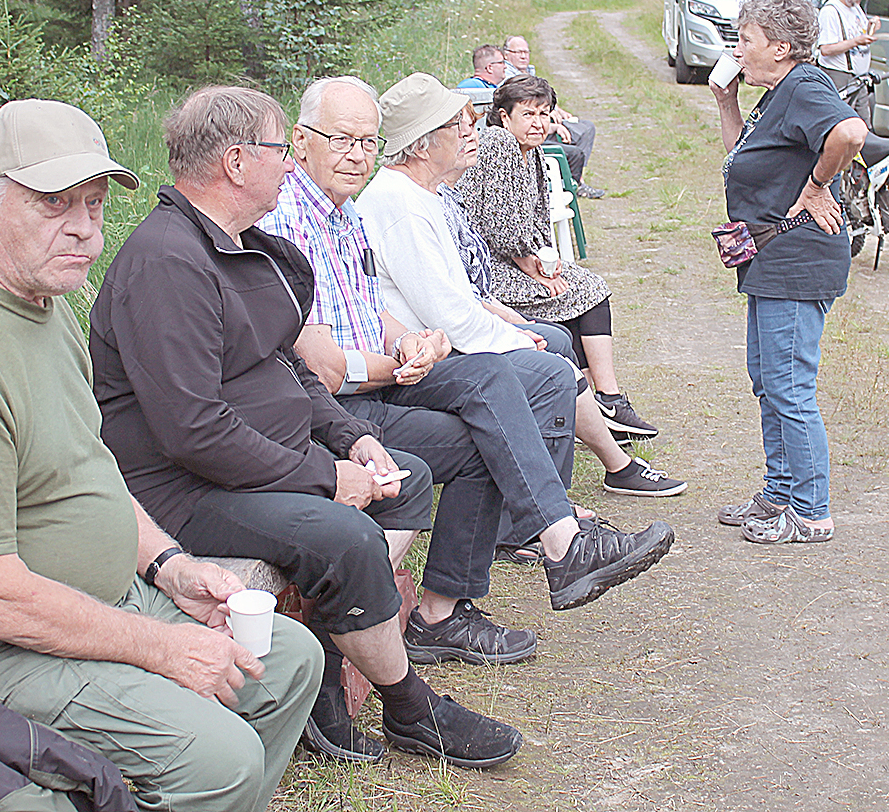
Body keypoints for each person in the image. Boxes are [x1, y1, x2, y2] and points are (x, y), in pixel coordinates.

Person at [0, 99, 321, 812]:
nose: (84, 231)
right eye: (54, 205)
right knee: (218, 758)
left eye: (95, 206)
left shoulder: (42, 301)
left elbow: (86, 473)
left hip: (105, 600)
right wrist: (159, 648)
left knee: (286, 662)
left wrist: (171, 565)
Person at [90, 85, 523, 769]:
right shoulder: (167, 263)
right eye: (276, 150)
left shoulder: (239, 246)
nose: (290, 165)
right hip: (179, 490)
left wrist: (348, 437)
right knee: (342, 531)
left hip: (249, 462)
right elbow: (193, 431)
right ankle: (410, 706)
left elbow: (283, 366)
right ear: (235, 162)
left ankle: (324, 665)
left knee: (400, 480)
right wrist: (325, 475)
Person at [260, 76, 677, 600]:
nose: (358, 156)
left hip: (385, 373)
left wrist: (414, 341)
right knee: (516, 380)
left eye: (368, 142)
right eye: (342, 140)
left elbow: (375, 311)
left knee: (501, 374)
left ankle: (488, 581)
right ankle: (544, 542)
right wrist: (415, 358)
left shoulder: (343, 212)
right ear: (300, 141)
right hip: (338, 408)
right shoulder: (298, 218)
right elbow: (326, 369)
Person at [357, 72, 685, 500]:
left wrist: (511, 326)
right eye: (456, 127)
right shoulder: (402, 206)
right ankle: (539, 519)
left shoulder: (420, 193)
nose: (466, 134)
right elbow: (451, 316)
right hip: (418, 356)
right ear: (422, 142)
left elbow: (460, 294)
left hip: (439, 339)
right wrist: (514, 338)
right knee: (551, 370)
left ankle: (567, 488)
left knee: (556, 345)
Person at [709, 0, 868, 545]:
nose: (738, 49)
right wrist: (726, 103)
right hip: (768, 257)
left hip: (798, 258)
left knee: (790, 387)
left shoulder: (805, 86)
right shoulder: (775, 93)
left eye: (745, 39)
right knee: (768, 381)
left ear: (780, 48)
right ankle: (780, 490)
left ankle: (810, 510)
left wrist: (818, 185)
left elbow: (849, 134)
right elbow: (739, 161)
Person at [454, 74, 659, 440]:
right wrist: (532, 268)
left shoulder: (528, 150)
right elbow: (502, 226)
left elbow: (533, 221)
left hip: (509, 258)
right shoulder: (499, 144)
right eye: (528, 114)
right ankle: (606, 401)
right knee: (585, 291)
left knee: (584, 287)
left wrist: (546, 262)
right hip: (483, 269)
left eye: (544, 114)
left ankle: (599, 406)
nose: (538, 123)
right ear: (503, 117)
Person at [503, 35, 603, 198]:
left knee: (587, 128)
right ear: (506, 55)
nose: (523, 56)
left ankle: (577, 178)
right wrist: (550, 119)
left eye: (526, 52)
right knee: (573, 148)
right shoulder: (509, 77)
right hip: (537, 127)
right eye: (518, 52)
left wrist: (558, 110)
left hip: (548, 119)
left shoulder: (529, 71)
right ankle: (573, 181)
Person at [817, 0, 878, 117]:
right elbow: (825, 49)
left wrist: (872, 26)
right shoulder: (830, 11)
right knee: (839, 120)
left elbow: (861, 31)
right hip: (839, 76)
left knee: (864, 123)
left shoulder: (856, 8)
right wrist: (856, 41)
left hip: (859, 77)